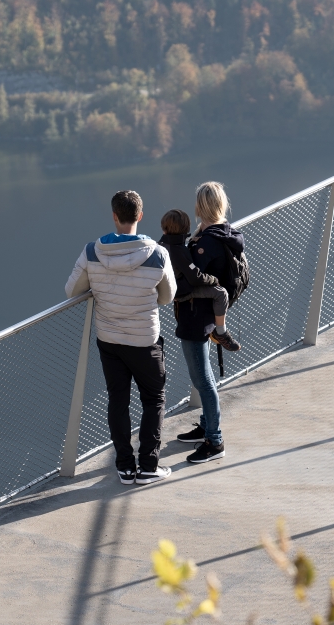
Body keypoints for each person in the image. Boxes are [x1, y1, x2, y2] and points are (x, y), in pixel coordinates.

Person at [65, 190, 177, 484]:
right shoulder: (157, 254)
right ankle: (149, 466)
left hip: (110, 339)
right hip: (145, 340)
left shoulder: (92, 252)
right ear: (140, 216)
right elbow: (167, 297)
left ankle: (125, 467)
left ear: (114, 216)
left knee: (118, 399)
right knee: (153, 400)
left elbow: (72, 291)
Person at [172, 182, 245, 465]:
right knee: (204, 377)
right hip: (207, 314)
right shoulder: (224, 233)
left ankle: (215, 441)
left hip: (196, 316)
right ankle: (205, 425)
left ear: (200, 207)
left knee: (202, 379)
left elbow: (188, 280)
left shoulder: (207, 242)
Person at [158, 209, 241, 351]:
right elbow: (195, 276)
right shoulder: (180, 251)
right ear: (186, 229)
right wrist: (213, 279)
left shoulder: (159, 246)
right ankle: (220, 331)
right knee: (220, 293)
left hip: (168, 289)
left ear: (164, 228)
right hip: (182, 291)